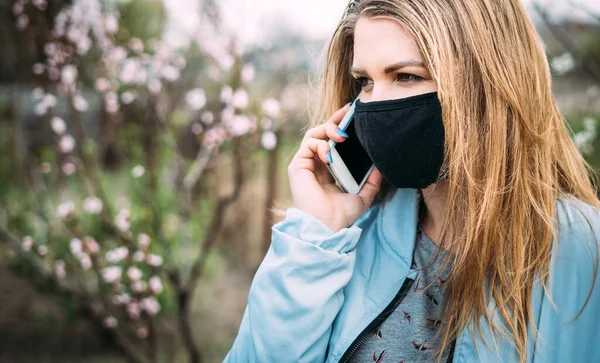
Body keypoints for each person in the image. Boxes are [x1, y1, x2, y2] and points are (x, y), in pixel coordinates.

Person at [225, 0, 600, 362]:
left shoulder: (579, 249)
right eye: (365, 82)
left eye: (406, 76)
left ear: (487, 83)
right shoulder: (347, 239)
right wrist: (315, 237)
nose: (375, 104)